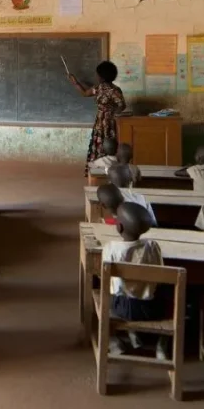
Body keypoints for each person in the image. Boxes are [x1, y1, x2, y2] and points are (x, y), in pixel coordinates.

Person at [103, 202, 170, 359]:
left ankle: (114, 341)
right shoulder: (153, 246)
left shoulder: (110, 248)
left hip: (122, 308)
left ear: (119, 227)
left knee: (105, 291)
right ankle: (162, 344)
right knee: (168, 292)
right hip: (150, 309)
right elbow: (161, 274)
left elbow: (103, 276)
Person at [69, 61, 126, 176]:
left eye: (98, 74)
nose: (96, 76)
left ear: (102, 76)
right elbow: (85, 93)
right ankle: (105, 170)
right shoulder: (106, 89)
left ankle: (104, 171)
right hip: (105, 121)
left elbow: (122, 105)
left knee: (105, 144)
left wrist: (111, 114)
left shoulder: (106, 89)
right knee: (105, 144)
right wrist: (76, 83)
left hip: (105, 121)